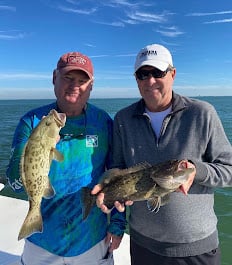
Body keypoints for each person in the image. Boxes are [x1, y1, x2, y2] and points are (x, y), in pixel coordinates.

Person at [92, 44, 232, 265]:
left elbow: (229, 170)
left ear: (173, 74)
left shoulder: (202, 113)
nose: (150, 81)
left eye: (158, 73)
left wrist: (198, 171)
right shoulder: (123, 119)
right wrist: (112, 199)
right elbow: (117, 168)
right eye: (143, 74)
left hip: (197, 248)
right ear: (136, 79)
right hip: (142, 245)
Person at [6, 51, 126, 265]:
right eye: (68, 78)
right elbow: (15, 185)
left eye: (82, 81)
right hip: (42, 240)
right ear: (54, 78)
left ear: (91, 85)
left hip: (92, 238)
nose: (75, 86)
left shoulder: (103, 122)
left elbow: (116, 175)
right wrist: (33, 146)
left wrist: (117, 223)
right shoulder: (32, 121)